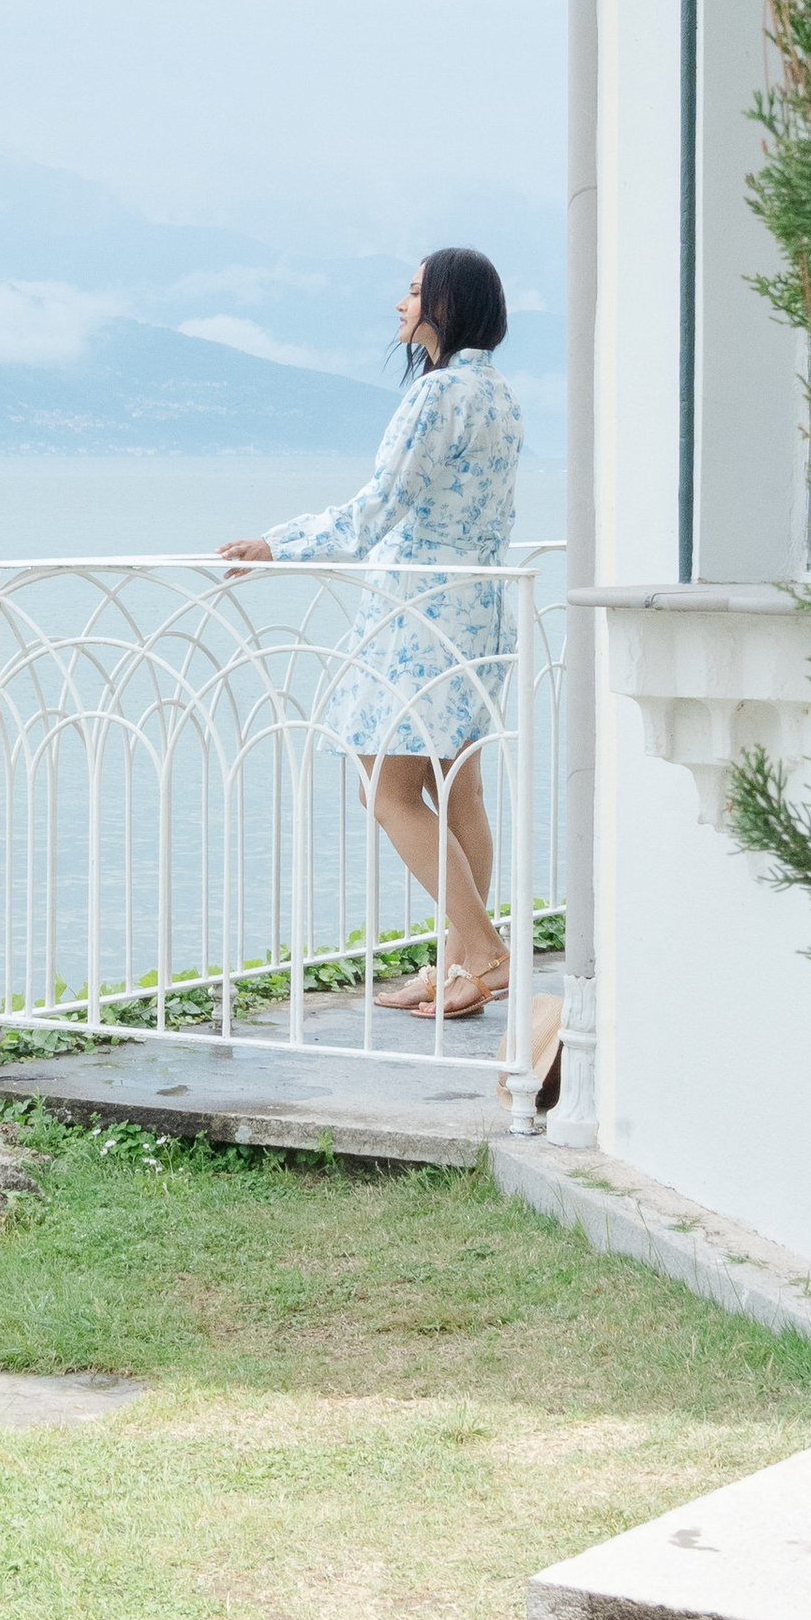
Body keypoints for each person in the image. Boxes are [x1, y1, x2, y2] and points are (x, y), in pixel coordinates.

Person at [218, 249, 553, 1099]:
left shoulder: (438, 394)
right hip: (477, 611)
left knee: (388, 790)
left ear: (445, 301)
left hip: (419, 619)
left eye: (411, 290)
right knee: (458, 790)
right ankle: (460, 968)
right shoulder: (502, 396)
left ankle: (484, 952)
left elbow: (375, 510)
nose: (398, 304)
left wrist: (275, 545)